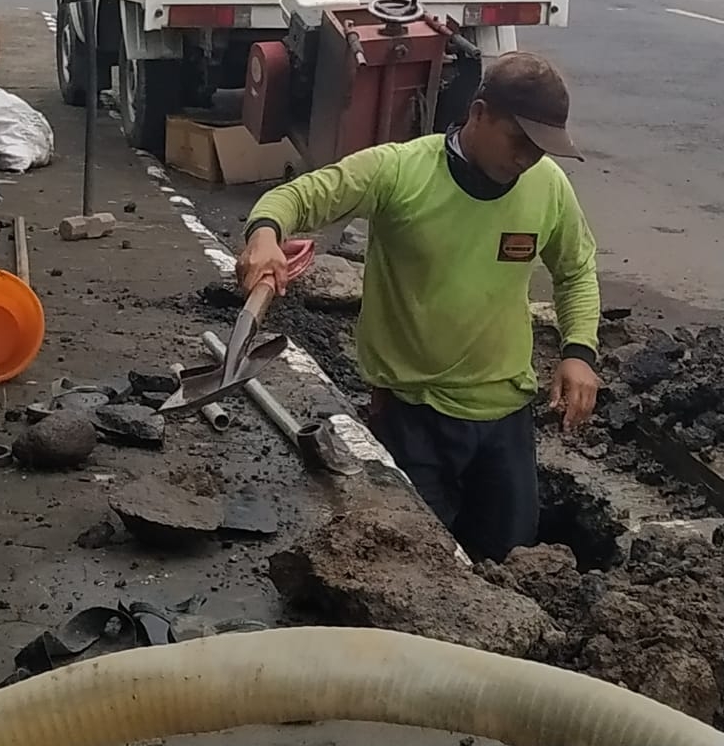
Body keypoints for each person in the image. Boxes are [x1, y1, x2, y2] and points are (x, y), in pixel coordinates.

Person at [237, 52, 600, 564]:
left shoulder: (549, 189)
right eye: (520, 141)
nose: (528, 159)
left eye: (541, 150)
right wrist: (264, 236)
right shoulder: (401, 172)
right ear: (478, 114)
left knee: (512, 561)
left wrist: (579, 351)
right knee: (420, 565)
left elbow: (577, 270)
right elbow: (298, 198)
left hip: (505, 419)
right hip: (412, 416)